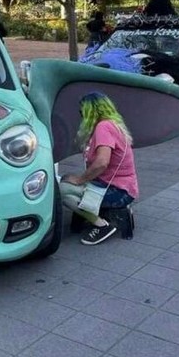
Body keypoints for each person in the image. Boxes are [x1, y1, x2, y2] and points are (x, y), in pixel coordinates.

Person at [59, 91, 138, 245]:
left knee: (62, 190)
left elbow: (102, 162)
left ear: (90, 111)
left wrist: (79, 179)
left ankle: (101, 225)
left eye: (82, 110)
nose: (80, 113)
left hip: (117, 191)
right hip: (122, 187)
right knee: (66, 179)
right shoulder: (113, 124)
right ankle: (94, 215)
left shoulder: (103, 127)